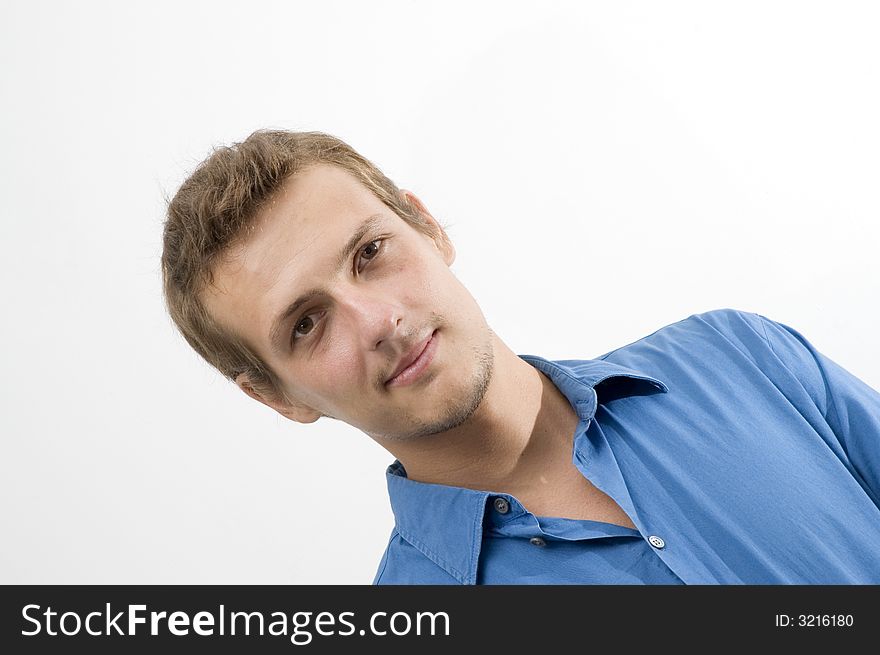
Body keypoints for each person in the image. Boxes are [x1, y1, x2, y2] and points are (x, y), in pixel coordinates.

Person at [161, 129, 880, 584]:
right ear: (276, 396)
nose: (379, 320)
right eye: (308, 323)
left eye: (371, 253)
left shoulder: (741, 357)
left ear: (428, 224)